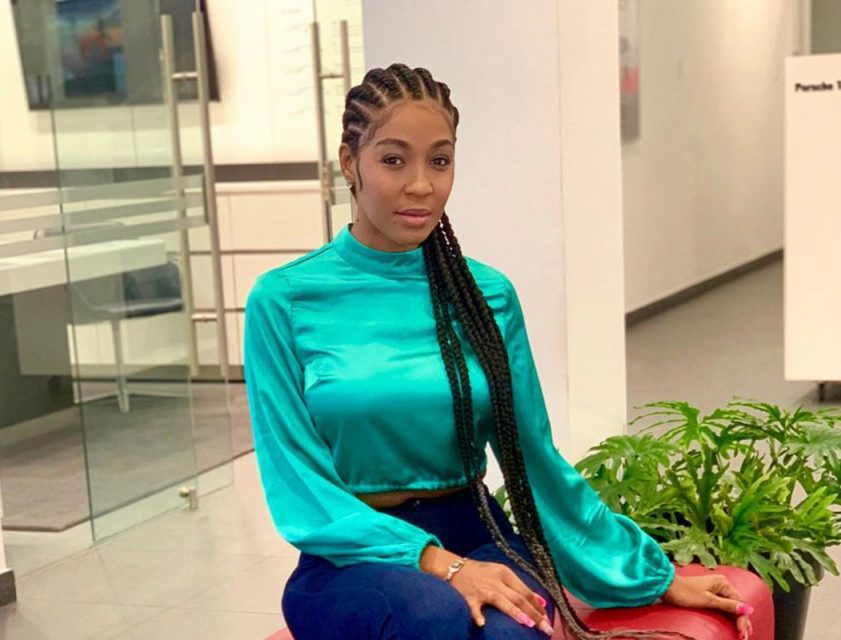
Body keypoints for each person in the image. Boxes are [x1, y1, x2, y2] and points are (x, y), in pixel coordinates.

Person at [243, 63, 754, 640]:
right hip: (350, 556)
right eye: (393, 160)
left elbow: (534, 459)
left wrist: (652, 577)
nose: (421, 185)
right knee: (433, 616)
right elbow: (298, 482)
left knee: (514, 633)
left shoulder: (485, 294)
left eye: (440, 160)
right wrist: (440, 564)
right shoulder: (285, 300)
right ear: (348, 163)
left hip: (475, 527)